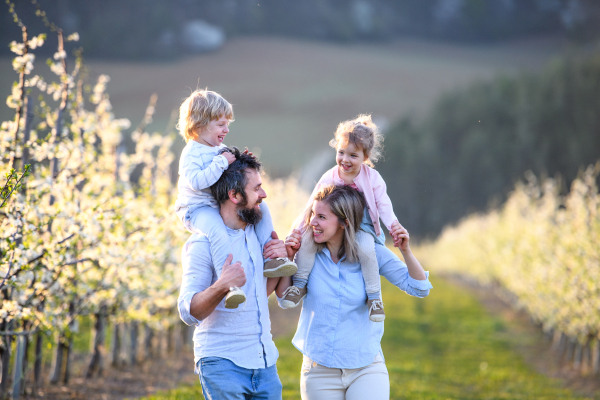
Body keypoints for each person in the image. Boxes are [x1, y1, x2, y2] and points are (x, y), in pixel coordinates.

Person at [282, 184, 432, 400]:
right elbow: (284, 297)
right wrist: (288, 257)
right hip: (319, 370)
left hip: (366, 368)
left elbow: (419, 288)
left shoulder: (371, 253)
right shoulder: (307, 254)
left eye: (322, 217)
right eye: (313, 214)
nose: (313, 222)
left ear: (344, 223)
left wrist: (406, 250)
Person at [177, 147, 291, 400]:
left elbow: (259, 294)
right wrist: (221, 286)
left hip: (265, 363)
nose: (264, 194)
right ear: (234, 195)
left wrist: (285, 255)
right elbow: (188, 312)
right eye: (256, 188)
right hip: (222, 363)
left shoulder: (255, 236)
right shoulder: (202, 245)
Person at [174, 89, 297, 308]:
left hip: (213, 204)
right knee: (217, 233)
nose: (226, 129)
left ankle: (272, 256)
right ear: (200, 123)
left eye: (227, 124)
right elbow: (197, 182)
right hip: (197, 209)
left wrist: (242, 159)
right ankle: (230, 284)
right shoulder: (191, 153)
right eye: (221, 124)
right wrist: (222, 162)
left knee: (263, 208)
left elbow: (232, 171)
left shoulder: (217, 148)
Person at [281, 114, 402, 322]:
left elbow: (384, 205)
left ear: (366, 156)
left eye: (353, 155)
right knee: (309, 240)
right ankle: (299, 285)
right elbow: (312, 204)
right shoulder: (330, 176)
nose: (345, 160)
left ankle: (374, 298)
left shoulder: (373, 178)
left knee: (366, 249)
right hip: (334, 225)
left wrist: (394, 226)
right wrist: (298, 230)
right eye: (341, 152)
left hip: (361, 227)